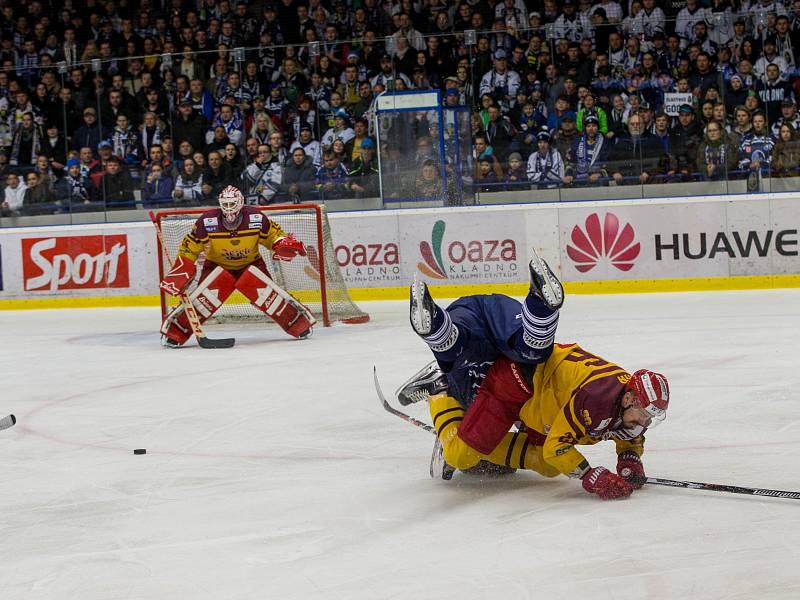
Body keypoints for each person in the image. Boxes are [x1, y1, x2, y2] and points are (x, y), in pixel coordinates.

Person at [159, 185, 313, 347]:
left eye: (232, 204)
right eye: (225, 204)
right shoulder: (206, 222)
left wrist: (280, 243)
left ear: (241, 202)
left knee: (270, 297)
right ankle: (174, 332)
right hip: (216, 266)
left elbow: (273, 235)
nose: (228, 208)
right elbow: (190, 246)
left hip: (251, 264)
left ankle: (298, 323)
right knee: (202, 302)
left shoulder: (256, 218)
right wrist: (183, 269)